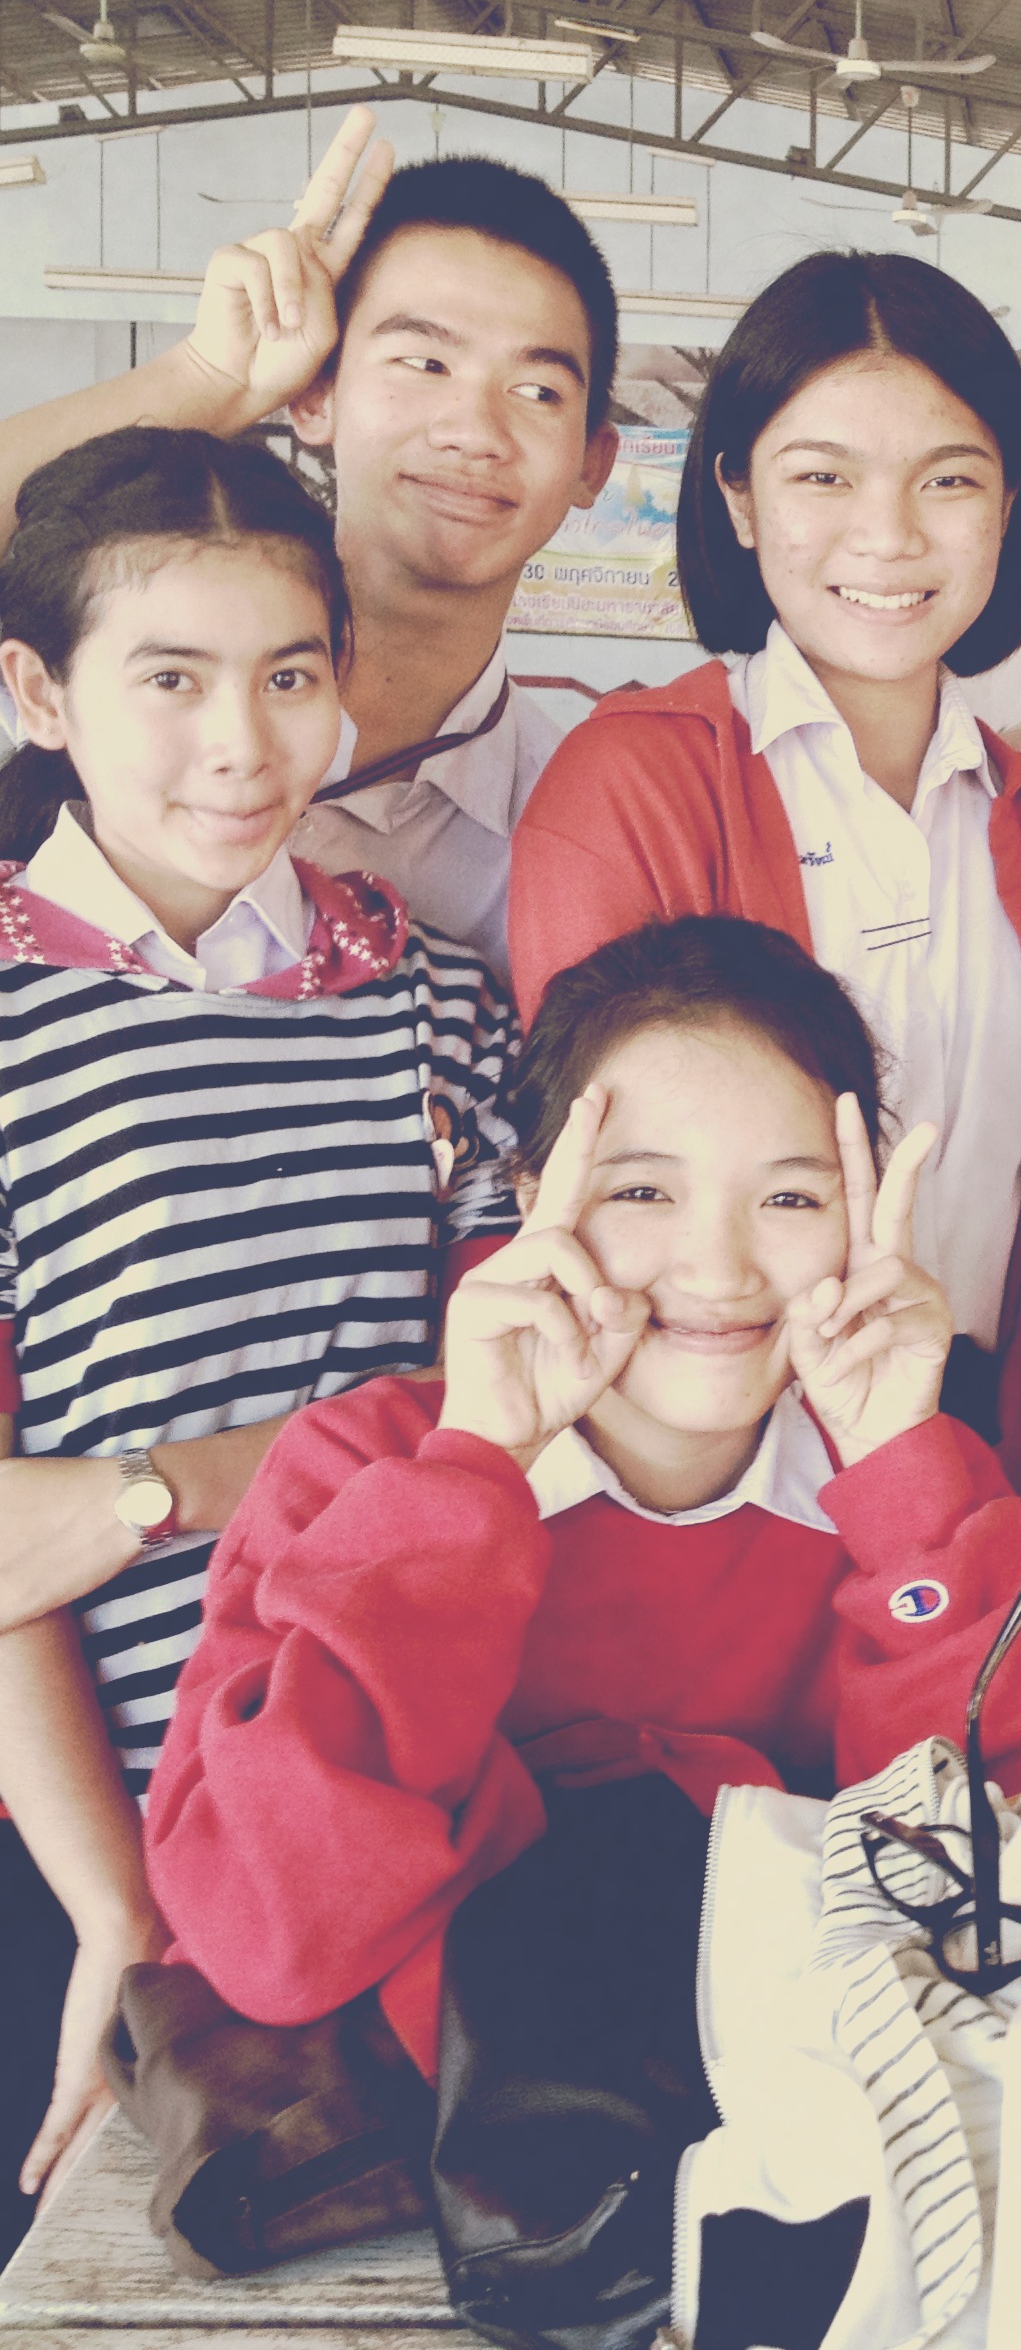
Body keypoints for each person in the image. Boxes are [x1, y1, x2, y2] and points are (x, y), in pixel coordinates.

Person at [145, 914, 1021, 2079]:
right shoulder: (363, 1466)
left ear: (864, 1216)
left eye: (791, 1200)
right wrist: (473, 1473)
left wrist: (901, 1481)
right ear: (533, 1195)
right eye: (645, 1191)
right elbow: (273, 1933)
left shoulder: (918, 1477)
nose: (718, 1271)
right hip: (424, 2147)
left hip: (835, 2122)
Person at [0, 429, 519, 2234]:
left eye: (289, 676)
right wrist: (116, 1910)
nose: (241, 741)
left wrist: (158, 1488)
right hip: (87, 1825)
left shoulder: (435, 1000)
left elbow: (512, 1403)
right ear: (38, 692)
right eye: (170, 679)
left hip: (401, 1790)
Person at [508, 255, 1021, 1547]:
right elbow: (595, 1184)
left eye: (949, 479)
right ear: (738, 497)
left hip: (973, 1480)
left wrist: (1009, 1479)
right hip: (691, 1498)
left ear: (1011, 506)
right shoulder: (635, 786)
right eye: (823, 476)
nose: (889, 535)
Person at [0, 111, 623, 979]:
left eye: (538, 390)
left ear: (593, 463)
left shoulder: (570, 822)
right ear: (316, 396)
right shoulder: (106, 673)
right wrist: (207, 380)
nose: (474, 432)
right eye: (425, 364)